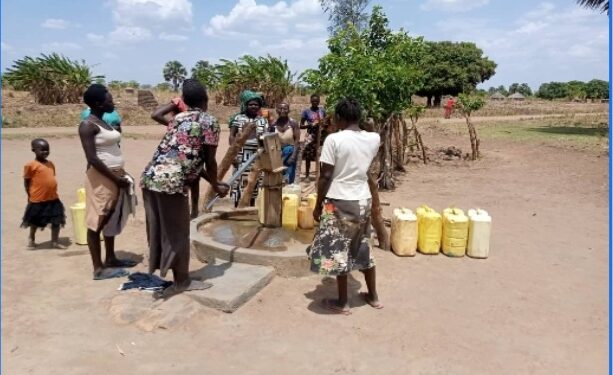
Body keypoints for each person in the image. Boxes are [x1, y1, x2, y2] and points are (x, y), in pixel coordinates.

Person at [141, 79, 229, 296]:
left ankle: (175, 275)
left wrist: (214, 184)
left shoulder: (178, 118)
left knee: (163, 230)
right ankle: (182, 281)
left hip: (151, 178)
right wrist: (217, 184)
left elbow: (190, 159)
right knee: (179, 232)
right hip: (172, 183)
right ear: (206, 100)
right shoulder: (209, 122)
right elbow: (209, 161)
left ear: (185, 101)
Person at [307, 97, 383, 315]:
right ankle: (373, 296)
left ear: (338, 118)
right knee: (364, 245)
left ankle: (342, 302)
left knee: (338, 249)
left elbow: (326, 175)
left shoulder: (334, 140)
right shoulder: (373, 138)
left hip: (339, 199)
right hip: (363, 200)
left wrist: (318, 203)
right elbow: (368, 132)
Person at [79, 84, 136, 280]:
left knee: (111, 217)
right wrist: (115, 178)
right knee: (97, 220)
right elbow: (93, 158)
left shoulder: (104, 122)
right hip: (102, 178)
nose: (112, 102)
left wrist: (122, 174)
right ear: (97, 103)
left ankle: (110, 258)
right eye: (109, 99)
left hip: (115, 175)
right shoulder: (87, 125)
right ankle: (98, 268)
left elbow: (112, 151)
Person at [150, 96, 202, 218]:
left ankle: (194, 211)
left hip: (191, 135)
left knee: (194, 175)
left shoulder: (193, 103)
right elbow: (155, 114)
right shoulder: (180, 101)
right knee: (183, 174)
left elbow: (156, 115)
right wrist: (177, 126)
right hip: (183, 140)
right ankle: (187, 212)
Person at [21, 138, 66, 249]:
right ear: (33, 150)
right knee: (35, 221)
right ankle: (31, 239)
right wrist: (29, 195)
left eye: (47, 150)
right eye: (42, 150)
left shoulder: (50, 164)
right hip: (37, 199)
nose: (45, 152)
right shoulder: (30, 165)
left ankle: (54, 242)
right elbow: (27, 182)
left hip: (53, 198)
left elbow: (51, 178)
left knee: (57, 220)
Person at [228, 90, 269, 207]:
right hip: (240, 155)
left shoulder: (262, 120)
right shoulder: (238, 118)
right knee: (238, 183)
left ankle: (250, 208)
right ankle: (237, 208)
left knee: (254, 183)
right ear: (246, 105)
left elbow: (266, 138)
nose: (254, 106)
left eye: (256, 104)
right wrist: (233, 154)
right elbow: (231, 136)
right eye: (251, 104)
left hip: (256, 157)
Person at [270, 102, 300, 184]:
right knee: (277, 176)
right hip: (277, 153)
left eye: (285, 109)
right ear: (277, 110)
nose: (282, 110)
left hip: (290, 153)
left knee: (289, 176)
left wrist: (294, 156)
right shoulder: (273, 125)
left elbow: (297, 141)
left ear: (289, 110)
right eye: (280, 108)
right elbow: (270, 141)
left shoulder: (293, 123)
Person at [300, 94, 326, 180]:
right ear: (310, 101)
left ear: (319, 101)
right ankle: (307, 175)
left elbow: (326, 123)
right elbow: (301, 125)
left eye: (317, 101)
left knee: (321, 155)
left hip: (321, 136)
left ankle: (320, 174)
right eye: (313, 101)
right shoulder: (306, 112)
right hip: (311, 136)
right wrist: (310, 125)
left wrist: (322, 124)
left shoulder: (322, 111)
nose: (315, 102)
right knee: (308, 156)